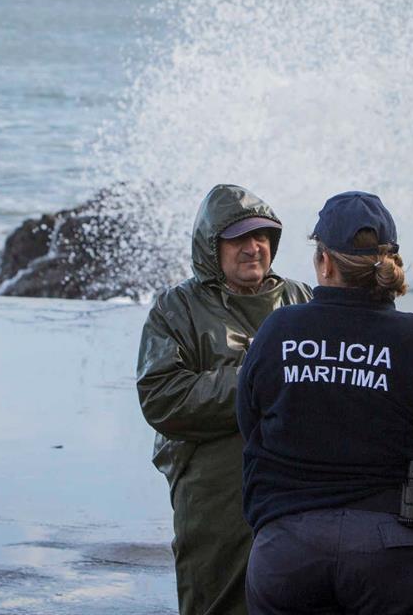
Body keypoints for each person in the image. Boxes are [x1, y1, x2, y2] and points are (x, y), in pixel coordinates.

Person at [237, 191, 413, 615]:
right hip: (392, 547)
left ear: (325, 262)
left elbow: (250, 425)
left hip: (287, 547)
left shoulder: (278, 330)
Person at [136, 183, 312, 615]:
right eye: (239, 238)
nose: (254, 248)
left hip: (296, 489)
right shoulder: (176, 309)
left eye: (262, 236)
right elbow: (162, 397)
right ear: (211, 246)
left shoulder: (301, 299)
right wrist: (257, 379)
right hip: (212, 493)